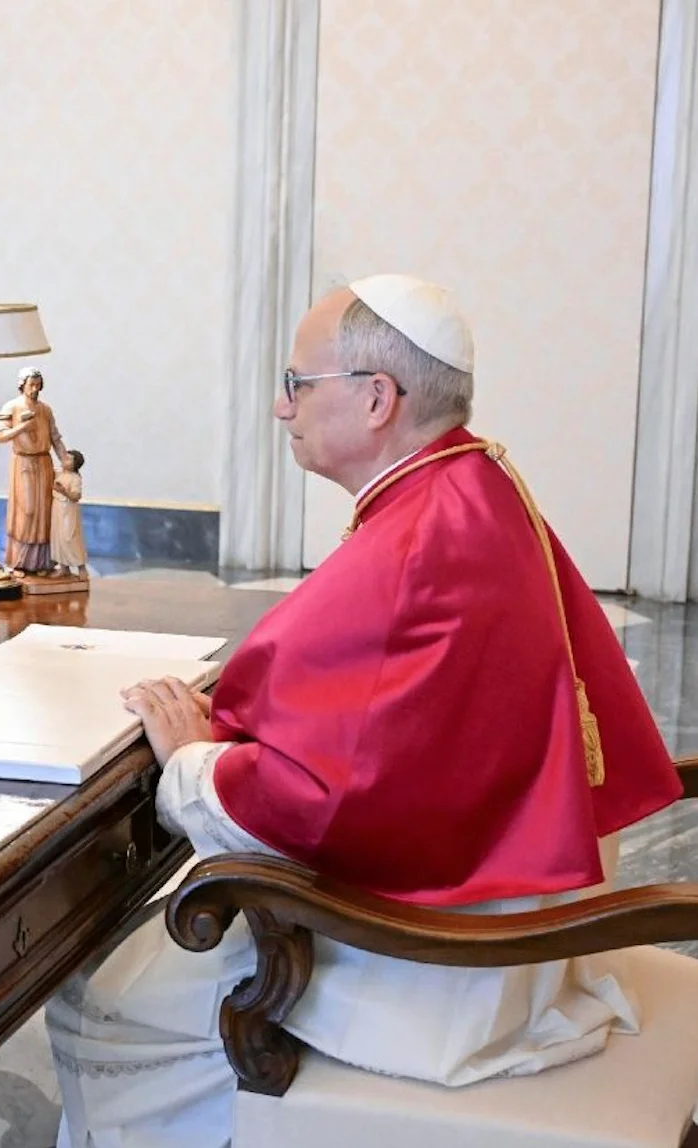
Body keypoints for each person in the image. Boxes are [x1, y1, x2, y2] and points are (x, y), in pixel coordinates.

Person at [45, 275, 682, 1148]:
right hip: (506, 894)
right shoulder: (471, 480)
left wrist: (195, 763)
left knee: (104, 999)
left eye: (297, 384)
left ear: (378, 398)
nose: (283, 407)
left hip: (448, 970)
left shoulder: (420, 544)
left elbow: (329, 805)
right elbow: (386, 739)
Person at [0, 367, 69, 572]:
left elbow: (55, 437)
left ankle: (43, 562)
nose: (35, 389)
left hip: (44, 463)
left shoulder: (45, 409)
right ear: (22, 385)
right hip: (23, 463)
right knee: (27, 510)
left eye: (38, 385)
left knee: (44, 510)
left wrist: (65, 460)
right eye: (31, 385)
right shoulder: (12, 406)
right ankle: (20, 560)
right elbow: (0, 436)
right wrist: (22, 428)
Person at [49, 450, 86, 575]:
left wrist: (63, 491)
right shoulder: (59, 474)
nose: (65, 460)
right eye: (65, 457)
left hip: (68, 510)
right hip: (57, 508)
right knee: (58, 537)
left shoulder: (75, 478)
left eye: (69, 459)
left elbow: (76, 496)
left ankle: (81, 568)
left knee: (69, 537)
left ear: (75, 464)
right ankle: (64, 567)